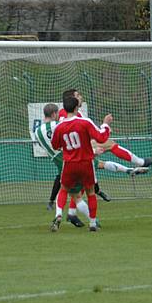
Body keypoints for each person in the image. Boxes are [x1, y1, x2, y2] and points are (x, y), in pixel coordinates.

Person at [36, 104, 148, 228]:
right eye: (57, 114)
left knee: (74, 195)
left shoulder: (37, 132)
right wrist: (94, 147)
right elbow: (71, 138)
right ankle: (129, 171)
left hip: (60, 162)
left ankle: (60, 215)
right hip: (74, 157)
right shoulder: (58, 125)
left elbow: (55, 145)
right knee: (98, 170)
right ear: (53, 114)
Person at [45, 88, 152, 209]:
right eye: (78, 95)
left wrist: (103, 129)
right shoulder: (64, 114)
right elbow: (68, 132)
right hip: (79, 149)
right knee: (107, 147)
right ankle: (138, 163)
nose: (81, 97)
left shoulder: (77, 113)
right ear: (72, 99)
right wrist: (104, 127)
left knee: (91, 173)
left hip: (79, 149)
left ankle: (71, 213)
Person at [51, 95, 112, 232]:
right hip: (85, 162)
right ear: (76, 107)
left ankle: (59, 214)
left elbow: (55, 145)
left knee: (64, 189)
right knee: (90, 192)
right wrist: (105, 124)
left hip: (69, 163)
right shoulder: (85, 122)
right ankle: (92, 223)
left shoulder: (59, 127)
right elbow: (101, 137)